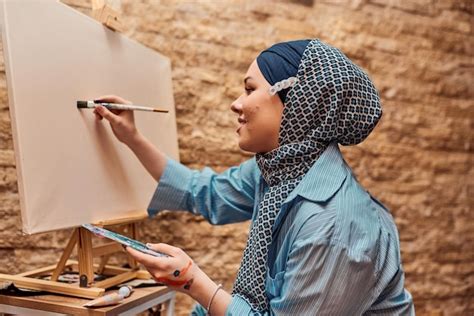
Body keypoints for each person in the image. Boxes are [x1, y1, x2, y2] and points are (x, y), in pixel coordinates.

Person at [93, 39, 415, 315]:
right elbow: (202, 192)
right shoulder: (277, 170)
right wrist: (131, 137)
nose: (237, 103)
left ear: (298, 103)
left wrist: (191, 280)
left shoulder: (333, 224)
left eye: (249, 89)